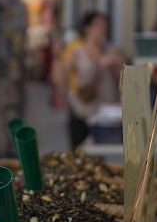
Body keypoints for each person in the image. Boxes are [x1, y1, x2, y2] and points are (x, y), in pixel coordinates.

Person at [54, 11, 125, 149]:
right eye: (97, 25)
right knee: (79, 149)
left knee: (105, 150)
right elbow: (62, 74)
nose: (102, 29)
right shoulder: (76, 51)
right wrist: (63, 95)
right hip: (81, 108)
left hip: (106, 110)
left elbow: (123, 78)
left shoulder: (111, 51)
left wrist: (115, 63)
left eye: (104, 25)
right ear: (87, 28)